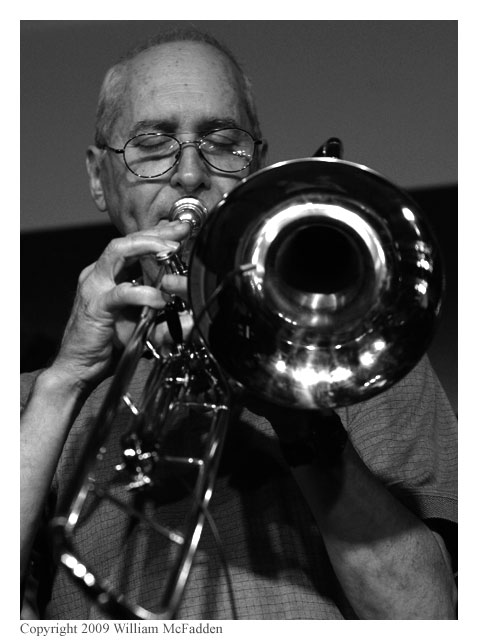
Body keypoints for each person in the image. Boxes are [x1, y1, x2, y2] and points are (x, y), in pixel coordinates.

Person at [20, 26, 457, 620]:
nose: (190, 174)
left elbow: (429, 616)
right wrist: (65, 381)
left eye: (222, 143)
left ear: (257, 168)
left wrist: (299, 416)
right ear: (100, 177)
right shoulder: (31, 404)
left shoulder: (357, 347)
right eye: (153, 143)